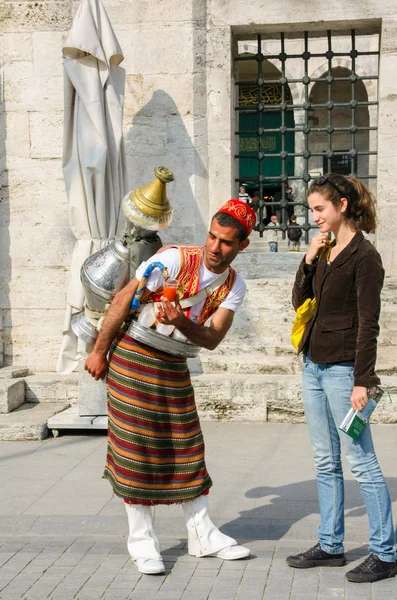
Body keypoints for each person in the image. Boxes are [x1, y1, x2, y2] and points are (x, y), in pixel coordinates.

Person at [85, 199, 256, 575]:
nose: (215, 247)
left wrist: (182, 321)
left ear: (242, 245)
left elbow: (211, 339)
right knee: (136, 447)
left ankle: (202, 535)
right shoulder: (174, 259)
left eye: (226, 242)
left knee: (187, 444)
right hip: (133, 355)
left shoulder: (233, 285)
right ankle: (142, 541)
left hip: (175, 362)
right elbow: (121, 300)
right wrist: (99, 351)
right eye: (212, 236)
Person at [286, 174, 396, 583]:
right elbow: (302, 303)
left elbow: (370, 324)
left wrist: (363, 381)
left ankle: (385, 552)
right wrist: (309, 260)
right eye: (312, 209)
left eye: (319, 209)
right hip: (313, 365)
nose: (313, 216)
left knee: (361, 462)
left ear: (342, 207)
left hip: (344, 371)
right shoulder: (326, 250)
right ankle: (330, 545)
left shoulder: (366, 258)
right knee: (324, 460)